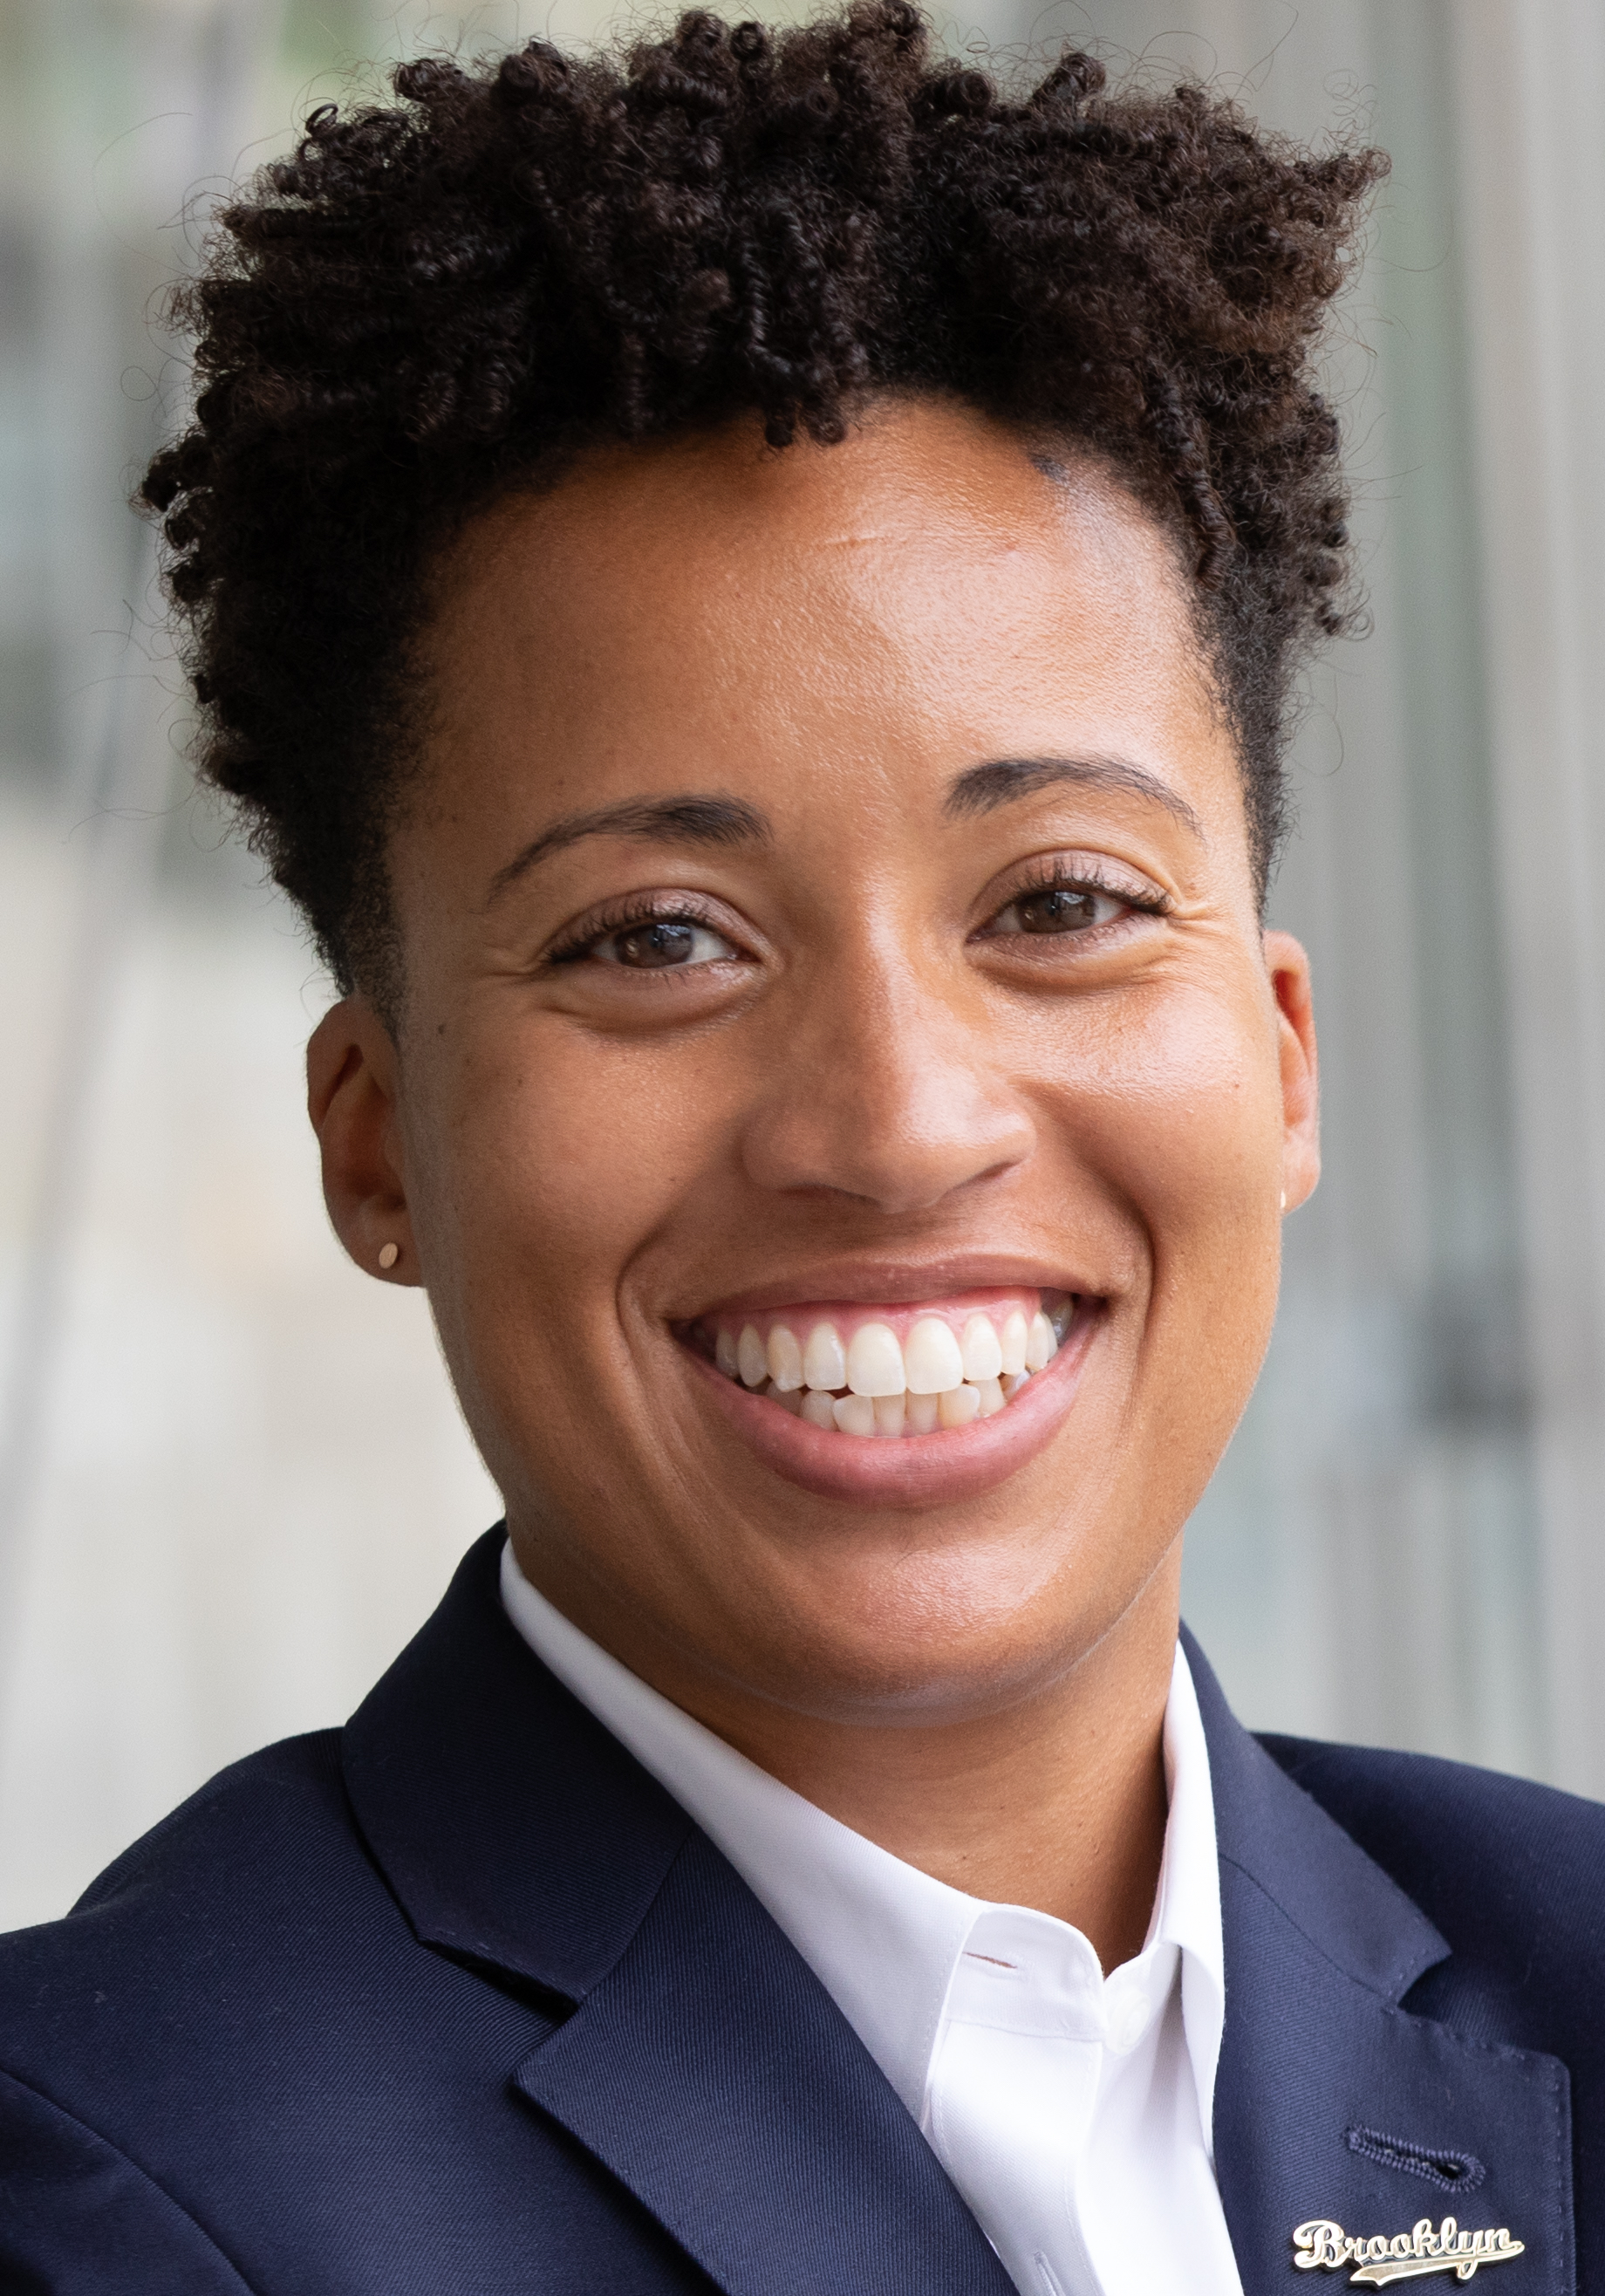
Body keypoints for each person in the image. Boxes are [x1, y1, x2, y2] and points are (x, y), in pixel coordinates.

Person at [1, 7, 1598, 2290]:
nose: (900, 1124)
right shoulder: (116, 2187)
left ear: (1281, 1061)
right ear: (377, 1142)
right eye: (658, 937)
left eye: (1061, 902)